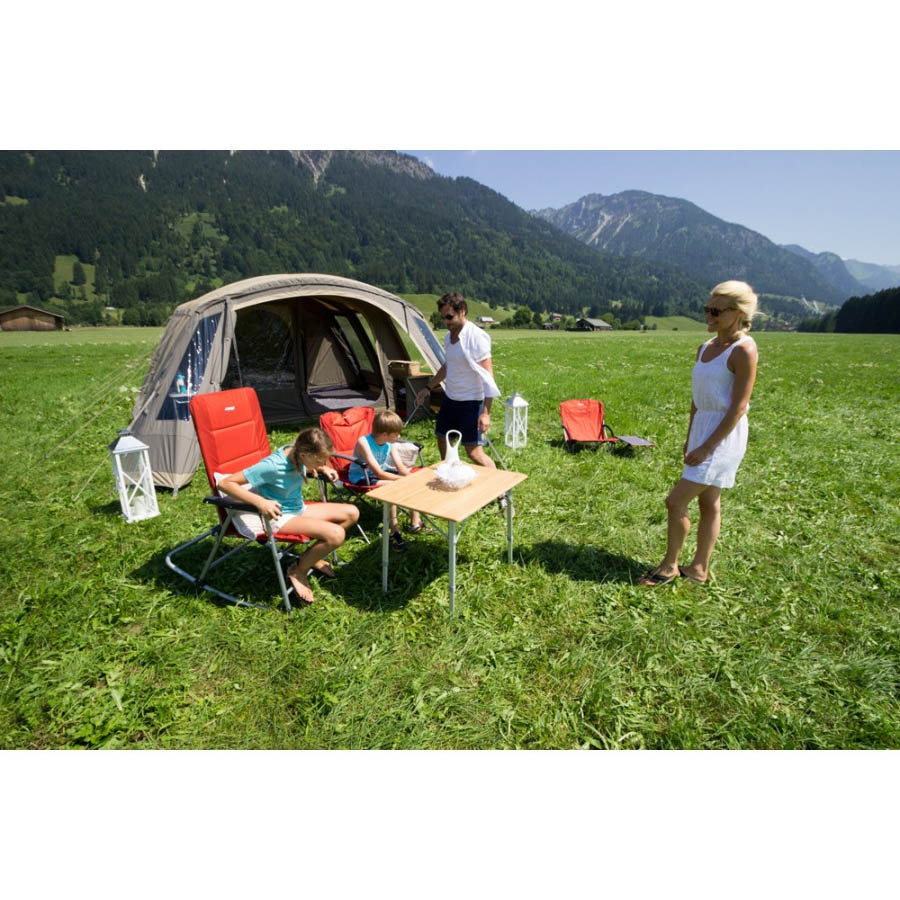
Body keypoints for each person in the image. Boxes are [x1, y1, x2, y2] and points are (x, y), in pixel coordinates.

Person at [638, 280, 759, 586]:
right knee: (708, 502)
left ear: (738, 313)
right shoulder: (704, 348)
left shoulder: (744, 350)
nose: (708, 316)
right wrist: (691, 437)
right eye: (707, 309)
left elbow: (738, 408)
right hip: (703, 430)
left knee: (675, 501)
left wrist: (707, 447)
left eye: (716, 311)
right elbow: (697, 400)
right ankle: (698, 570)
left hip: (723, 435)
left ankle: (669, 566)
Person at [218, 427, 360, 604]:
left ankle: (311, 557)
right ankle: (298, 570)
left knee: (352, 513)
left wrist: (322, 468)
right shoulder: (272, 466)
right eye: (319, 460)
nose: (322, 463)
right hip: (280, 517)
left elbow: (306, 465)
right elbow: (225, 483)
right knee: (336, 534)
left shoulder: (297, 452)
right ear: (304, 455)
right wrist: (260, 502)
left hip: (298, 508)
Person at [417, 291, 501, 471]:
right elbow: (448, 366)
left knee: (474, 452)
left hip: (471, 403)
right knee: (442, 438)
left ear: (462, 311)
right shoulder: (449, 337)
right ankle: (449, 472)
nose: (446, 321)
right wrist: (428, 387)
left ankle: (498, 485)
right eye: (443, 317)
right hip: (450, 399)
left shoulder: (476, 337)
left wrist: (485, 413)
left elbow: (488, 377)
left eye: (449, 316)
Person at [347, 409, 424, 550]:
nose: (399, 436)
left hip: (379, 473)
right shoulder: (364, 442)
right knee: (392, 488)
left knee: (411, 482)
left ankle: (415, 522)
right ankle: (394, 531)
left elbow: (400, 467)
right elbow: (379, 473)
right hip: (362, 477)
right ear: (384, 434)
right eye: (396, 434)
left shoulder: (390, 444)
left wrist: (413, 478)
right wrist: (402, 480)